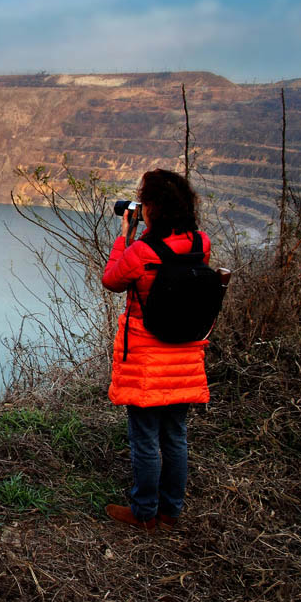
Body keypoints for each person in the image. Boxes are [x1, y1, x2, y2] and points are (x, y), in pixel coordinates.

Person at [101, 169, 211, 531]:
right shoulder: (201, 243)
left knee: (145, 440)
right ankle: (170, 512)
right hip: (184, 358)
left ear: (153, 209)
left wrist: (125, 236)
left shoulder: (141, 252)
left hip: (147, 360)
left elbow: (112, 279)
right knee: (175, 436)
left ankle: (144, 512)